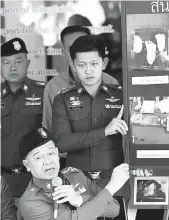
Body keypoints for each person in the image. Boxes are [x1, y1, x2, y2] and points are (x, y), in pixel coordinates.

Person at [52, 35, 130, 205]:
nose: (88, 70)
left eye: (94, 64)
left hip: (114, 182)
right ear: (73, 65)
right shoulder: (63, 100)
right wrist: (105, 132)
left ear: (104, 63)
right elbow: (62, 142)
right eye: (81, 65)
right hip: (76, 183)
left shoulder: (121, 96)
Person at [18, 127, 130, 220]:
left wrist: (79, 199)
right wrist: (111, 187)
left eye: (51, 153)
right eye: (38, 157)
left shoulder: (74, 175)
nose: (48, 161)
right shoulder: (30, 202)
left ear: (57, 154)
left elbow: (114, 209)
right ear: (27, 165)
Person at [42, 25, 118, 131]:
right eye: (71, 49)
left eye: (83, 47)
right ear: (63, 52)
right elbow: (50, 130)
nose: (78, 53)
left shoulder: (110, 82)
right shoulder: (53, 87)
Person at [1, 37, 45, 213]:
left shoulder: (43, 92)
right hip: (3, 183)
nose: (12, 67)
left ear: (27, 63)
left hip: (34, 183)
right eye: (6, 62)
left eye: (18, 61)